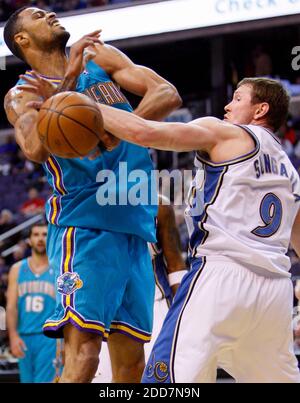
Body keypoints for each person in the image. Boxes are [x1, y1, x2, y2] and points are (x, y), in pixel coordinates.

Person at [4, 6, 181, 383]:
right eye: (38, 15)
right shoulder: (22, 94)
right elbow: (35, 147)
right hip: (84, 227)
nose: (50, 13)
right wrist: (66, 84)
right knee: (84, 358)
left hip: (134, 223)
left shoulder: (99, 56)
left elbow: (166, 92)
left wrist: (115, 131)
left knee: (132, 366)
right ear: (21, 38)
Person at [84, 77, 300, 382]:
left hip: (221, 276)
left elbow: (144, 132)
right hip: (275, 290)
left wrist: (82, 104)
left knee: (165, 382)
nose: (227, 105)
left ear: (260, 109)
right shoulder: (289, 169)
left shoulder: (227, 133)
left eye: (237, 99)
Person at [94, 195, 187, 382]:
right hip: (107, 307)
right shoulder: (92, 204)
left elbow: (175, 264)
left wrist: (183, 312)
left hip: (154, 304)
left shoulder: (159, 206)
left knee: (158, 377)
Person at [6, 223, 59, 383]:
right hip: (24, 337)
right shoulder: (17, 269)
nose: (40, 239)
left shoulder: (57, 268)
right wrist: (13, 336)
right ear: (29, 240)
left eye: (44, 234)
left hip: (49, 338)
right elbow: (11, 306)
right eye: (36, 235)